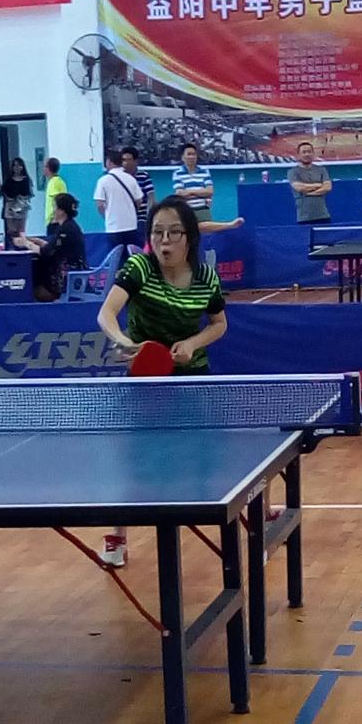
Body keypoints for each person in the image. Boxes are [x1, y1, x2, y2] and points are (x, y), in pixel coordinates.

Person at [97, 195, 227, 566]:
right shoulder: (139, 267)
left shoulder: (205, 277)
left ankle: (246, 522)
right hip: (145, 379)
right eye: (157, 232)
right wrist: (126, 343)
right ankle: (117, 537)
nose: (164, 240)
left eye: (173, 233)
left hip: (192, 378)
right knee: (134, 458)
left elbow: (219, 324)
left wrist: (192, 343)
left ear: (190, 238)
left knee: (209, 456)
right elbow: (107, 313)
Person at [13, 193, 87, 301]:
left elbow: (46, 252)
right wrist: (36, 241)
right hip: (71, 271)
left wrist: (26, 243)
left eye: (54, 207)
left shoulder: (66, 229)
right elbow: (54, 247)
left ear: (61, 211)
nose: (53, 211)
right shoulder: (68, 226)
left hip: (68, 277)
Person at [172, 143, 244, 233]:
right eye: (189, 154)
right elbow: (180, 194)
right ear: (183, 157)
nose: (192, 157)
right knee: (193, 229)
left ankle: (228, 225)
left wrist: (190, 192)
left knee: (205, 233)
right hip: (187, 209)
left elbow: (210, 191)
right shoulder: (177, 173)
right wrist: (200, 192)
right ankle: (228, 225)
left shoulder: (204, 171)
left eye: (194, 154)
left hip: (203, 208)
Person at [94, 149, 143, 251]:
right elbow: (139, 200)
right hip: (131, 225)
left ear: (109, 162)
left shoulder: (103, 181)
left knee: (117, 255)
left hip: (114, 226)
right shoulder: (131, 179)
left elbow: (99, 204)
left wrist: (107, 216)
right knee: (131, 255)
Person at [287, 142, 332, 224]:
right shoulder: (293, 172)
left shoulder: (322, 170)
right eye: (304, 152)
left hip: (323, 215)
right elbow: (300, 188)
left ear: (313, 153)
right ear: (298, 155)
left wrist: (310, 193)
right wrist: (319, 185)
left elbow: (327, 187)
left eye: (309, 152)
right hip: (304, 217)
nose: (307, 154)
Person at [0, 157, 33, 240]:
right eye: (14, 166)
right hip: (10, 206)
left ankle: (22, 244)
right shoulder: (8, 179)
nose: (17, 168)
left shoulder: (26, 180)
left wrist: (21, 200)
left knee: (21, 230)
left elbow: (28, 193)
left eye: (19, 165)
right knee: (12, 230)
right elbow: (3, 191)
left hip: (22, 206)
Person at [121, 145, 156, 221]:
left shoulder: (144, 176)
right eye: (124, 160)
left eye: (129, 160)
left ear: (136, 161)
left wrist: (150, 217)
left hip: (141, 218)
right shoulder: (119, 177)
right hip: (123, 219)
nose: (126, 163)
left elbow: (151, 198)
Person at [44, 157, 67, 235]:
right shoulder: (60, 181)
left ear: (48, 168)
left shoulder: (53, 182)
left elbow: (57, 200)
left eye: (45, 166)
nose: (43, 169)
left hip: (55, 221)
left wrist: (54, 218)